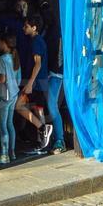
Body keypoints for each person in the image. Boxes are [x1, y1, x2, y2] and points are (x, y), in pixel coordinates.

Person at [16, 14, 52, 150]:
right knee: (39, 110)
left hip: (36, 82)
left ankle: (42, 129)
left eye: (26, 26)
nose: (23, 28)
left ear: (34, 28)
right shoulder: (38, 40)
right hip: (40, 81)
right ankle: (42, 142)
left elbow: (38, 64)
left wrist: (30, 83)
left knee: (19, 106)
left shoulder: (36, 42)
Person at [0, 34, 21, 163]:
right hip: (14, 94)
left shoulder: (2, 59)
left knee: (2, 125)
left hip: (4, 95)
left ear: (4, 43)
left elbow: (2, 79)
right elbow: (19, 79)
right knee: (10, 124)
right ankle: (12, 152)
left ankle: (4, 155)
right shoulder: (15, 57)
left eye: (0, 42)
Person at [46, 20, 66, 154]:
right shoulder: (57, 30)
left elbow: (59, 57)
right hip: (55, 73)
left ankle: (60, 139)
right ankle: (57, 138)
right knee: (52, 106)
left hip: (57, 74)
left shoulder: (58, 32)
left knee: (52, 106)